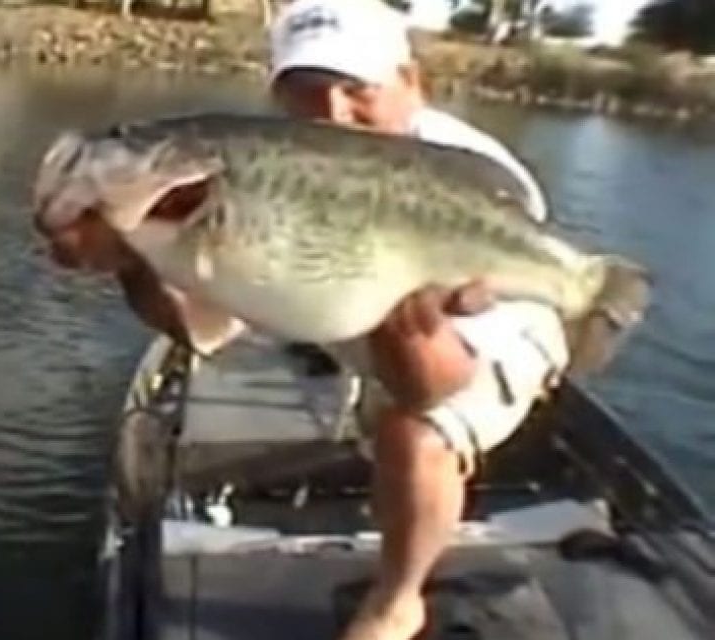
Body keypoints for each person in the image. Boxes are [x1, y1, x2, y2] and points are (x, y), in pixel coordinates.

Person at [37, 1, 570, 639]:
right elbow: (198, 331)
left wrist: (407, 337)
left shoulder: (479, 179)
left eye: (357, 89)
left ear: (412, 82)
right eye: (308, 94)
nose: (336, 114)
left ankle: (397, 601)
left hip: (487, 328)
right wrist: (132, 260)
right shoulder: (256, 169)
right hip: (356, 296)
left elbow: (434, 386)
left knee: (417, 431)